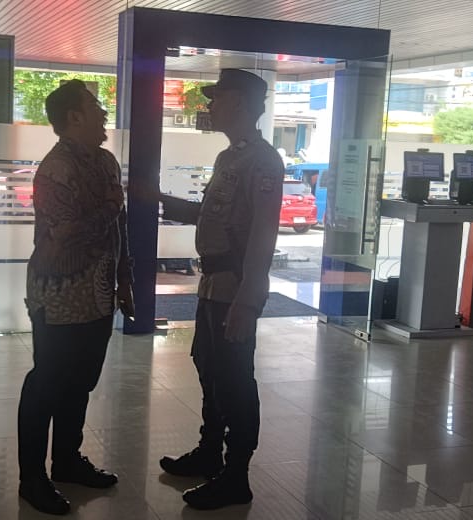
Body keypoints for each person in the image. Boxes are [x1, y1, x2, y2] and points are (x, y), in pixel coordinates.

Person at [158, 69, 284, 510]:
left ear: (240, 104)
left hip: (235, 286)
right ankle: (210, 451)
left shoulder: (263, 162)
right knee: (209, 367)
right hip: (212, 282)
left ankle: (236, 475)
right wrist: (160, 200)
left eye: (217, 99)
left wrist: (248, 300)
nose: (209, 106)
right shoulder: (228, 158)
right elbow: (211, 215)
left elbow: (263, 234)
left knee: (235, 379)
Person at [16, 79, 135, 516]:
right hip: (59, 293)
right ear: (73, 117)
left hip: (98, 292)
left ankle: (66, 460)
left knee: (82, 379)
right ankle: (32, 478)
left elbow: (119, 227)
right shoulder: (55, 170)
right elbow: (67, 233)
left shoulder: (105, 162)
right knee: (48, 381)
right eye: (95, 106)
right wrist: (110, 206)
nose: (104, 114)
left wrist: (125, 280)